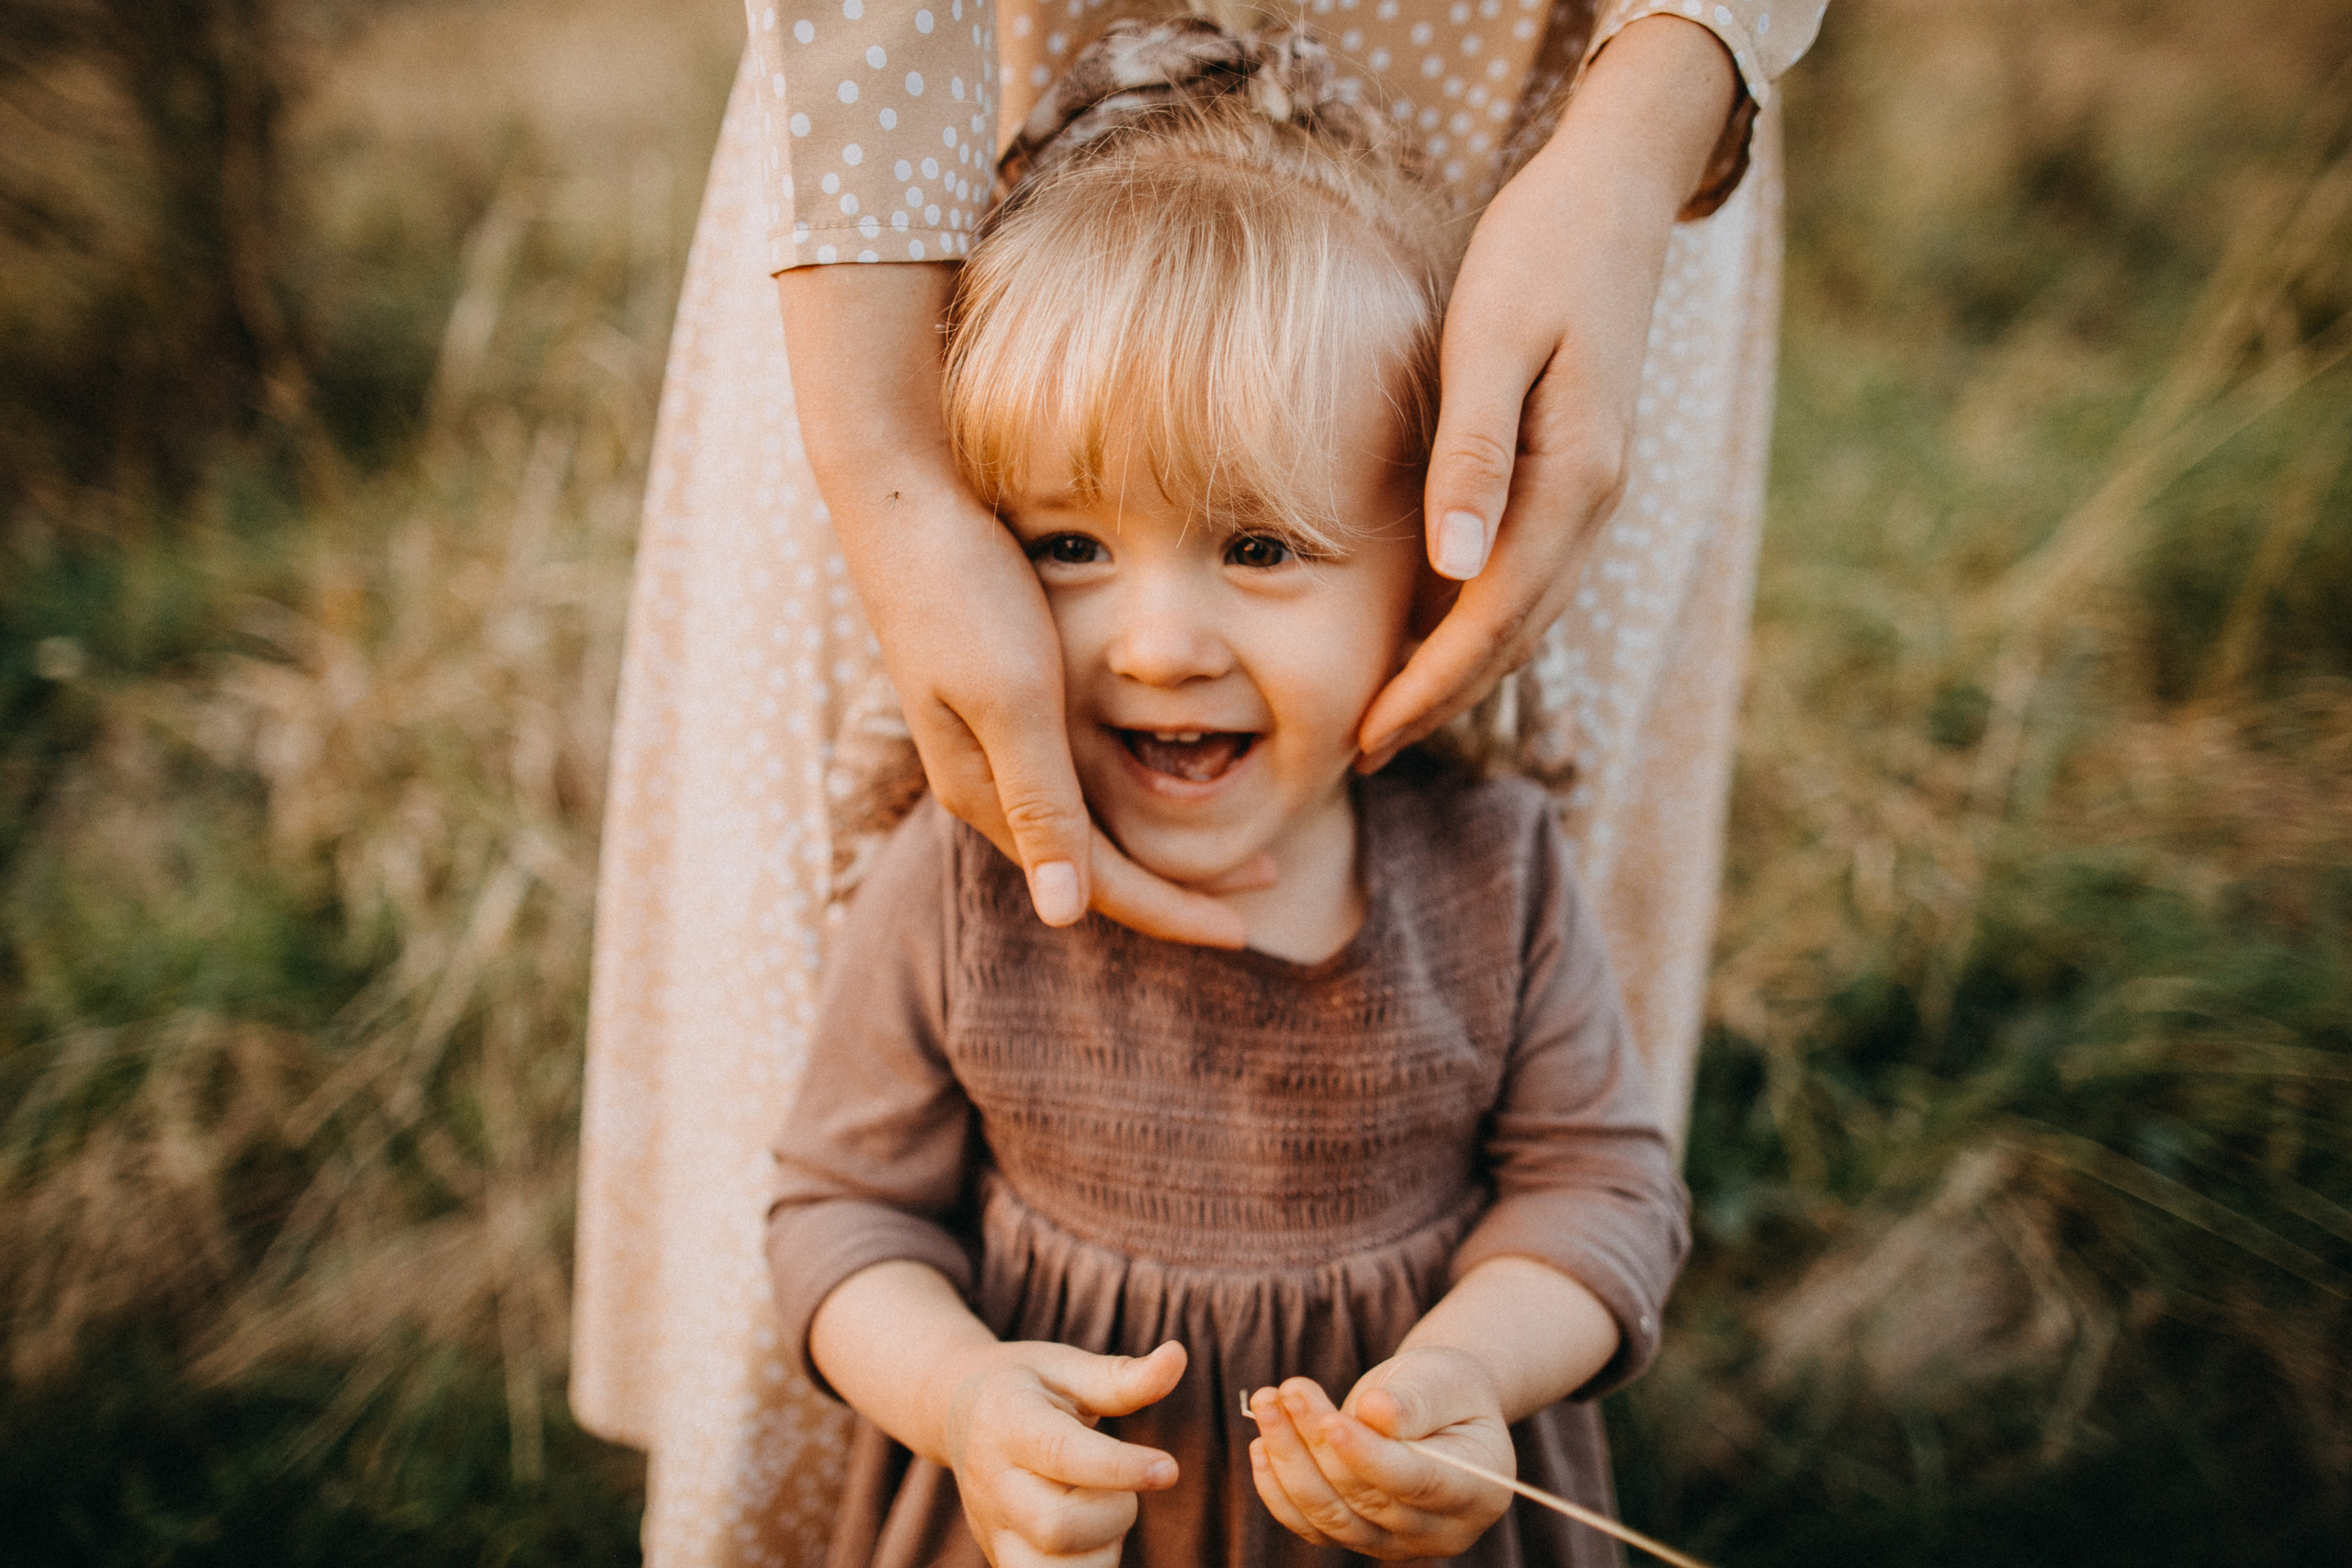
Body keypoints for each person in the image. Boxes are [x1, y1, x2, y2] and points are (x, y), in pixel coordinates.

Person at [571, 2, 1826, 1563]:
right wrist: (963, 1401)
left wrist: (1467, 1376)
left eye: (1259, 547)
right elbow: (843, 1222)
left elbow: (1603, 1197)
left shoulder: (1498, 878)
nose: (1159, 645)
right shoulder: (960, 884)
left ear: (1434, 576)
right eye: (1068, 545)